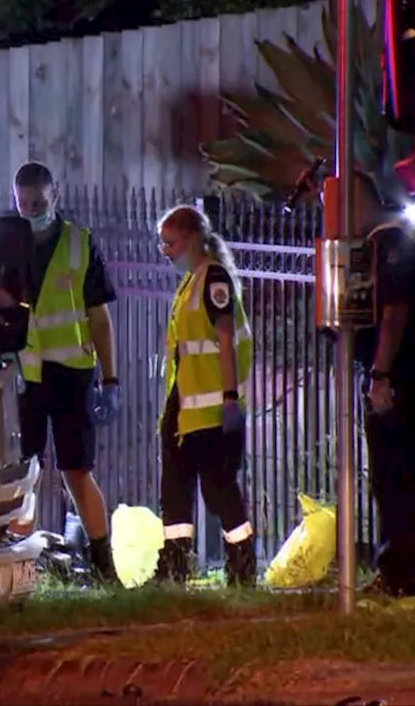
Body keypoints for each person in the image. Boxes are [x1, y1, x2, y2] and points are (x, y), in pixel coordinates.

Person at [0, 162, 121, 584]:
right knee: (24, 472)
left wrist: (112, 380)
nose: (31, 211)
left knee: (76, 470)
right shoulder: (3, 245)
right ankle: (18, 570)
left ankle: (104, 569)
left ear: (56, 195)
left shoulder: (80, 244)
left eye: (39, 203)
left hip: (71, 375)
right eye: (24, 203)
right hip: (24, 378)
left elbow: (99, 317)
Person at [154, 204, 257, 587]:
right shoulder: (191, 281)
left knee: (219, 491)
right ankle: (175, 567)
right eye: (162, 243)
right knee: (176, 493)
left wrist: (230, 399)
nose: (165, 250)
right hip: (185, 411)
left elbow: (226, 338)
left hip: (212, 413)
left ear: (194, 239)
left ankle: (242, 568)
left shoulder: (213, 278)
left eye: (171, 243)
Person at [351, 172, 415, 596]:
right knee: (389, 473)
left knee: (395, 472)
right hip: (395, 375)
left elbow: (395, 314)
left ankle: (403, 568)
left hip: (402, 377)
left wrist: (380, 374)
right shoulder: (375, 244)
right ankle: (402, 566)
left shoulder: (390, 244)